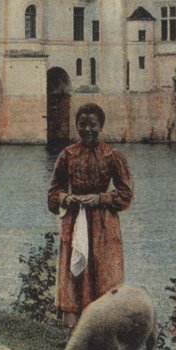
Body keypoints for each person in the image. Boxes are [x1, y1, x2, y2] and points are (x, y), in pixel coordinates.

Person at [47, 103, 134, 329]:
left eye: (92, 125)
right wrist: (65, 199)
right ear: (76, 126)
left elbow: (126, 195)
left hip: (104, 225)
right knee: (76, 276)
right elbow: (52, 194)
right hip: (75, 221)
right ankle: (74, 329)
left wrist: (101, 199)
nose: (87, 130)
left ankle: (106, 328)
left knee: (105, 273)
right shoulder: (67, 155)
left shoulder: (113, 156)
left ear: (101, 126)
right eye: (82, 125)